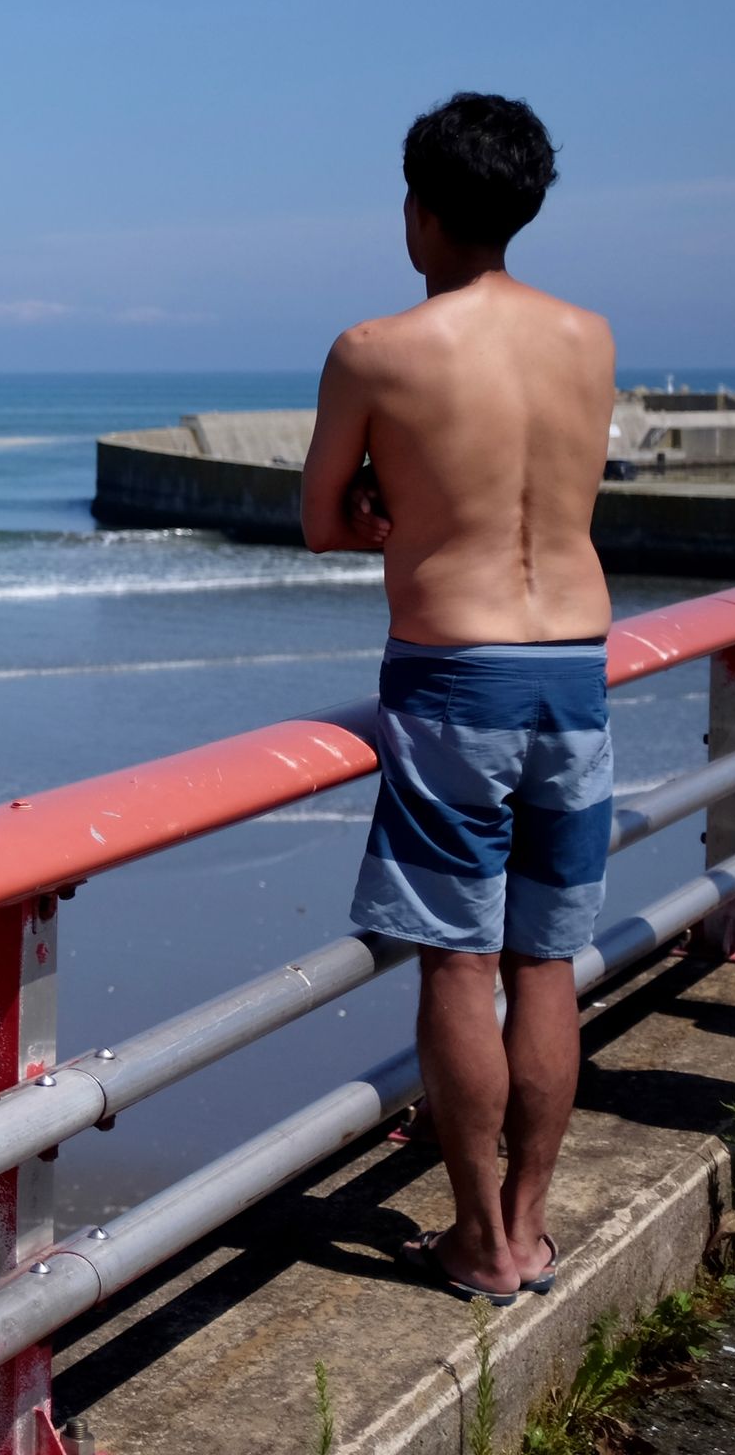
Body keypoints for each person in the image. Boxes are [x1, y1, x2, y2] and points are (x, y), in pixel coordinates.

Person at [302, 92, 616, 1305]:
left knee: (455, 960)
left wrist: (388, 510)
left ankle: (477, 1239)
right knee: (548, 962)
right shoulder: (589, 335)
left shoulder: (377, 348)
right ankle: (529, 1233)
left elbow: (327, 520)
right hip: (575, 669)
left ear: (419, 211)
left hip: (453, 677)